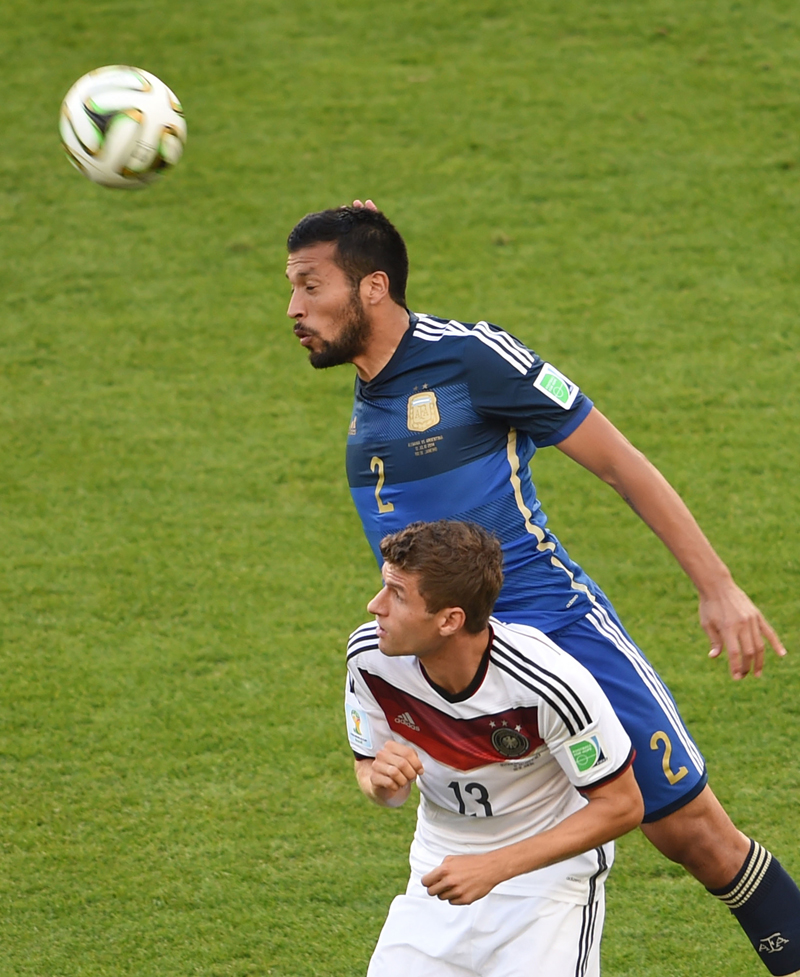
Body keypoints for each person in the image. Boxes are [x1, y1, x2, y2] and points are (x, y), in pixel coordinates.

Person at [286, 203, 800, 975]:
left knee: (693, 836)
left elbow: (620, 461)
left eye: (309, 286)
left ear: (373, 289)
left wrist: (717, 587)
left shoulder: (471, 359)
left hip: (561, 632)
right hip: (462, 659)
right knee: (495, 845)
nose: (293, 309)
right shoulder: (370, 389)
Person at [346, 519, 643, 976]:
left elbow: (622, 806)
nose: (374, 606)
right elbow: (369, 767)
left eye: (397, 595)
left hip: (545, 884)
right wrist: (379, 780)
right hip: (437, 871)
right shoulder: (370, 659)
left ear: (450, 620)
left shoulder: (547, 683)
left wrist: (494, 867)